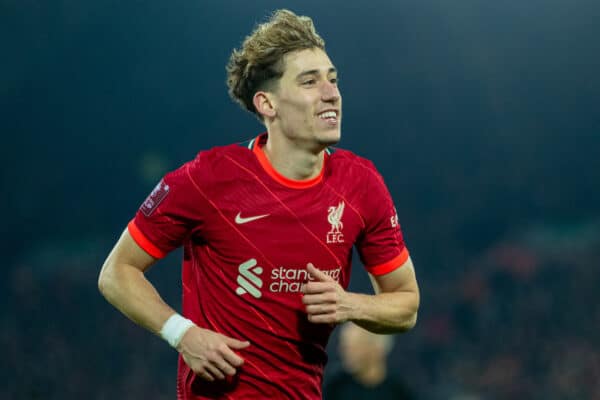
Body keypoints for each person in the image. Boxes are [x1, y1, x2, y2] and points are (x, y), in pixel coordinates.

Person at [98, 9, 420, 400]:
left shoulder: (361, 185)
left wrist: (350, 305)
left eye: (332, 80)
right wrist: (182, 334)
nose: (331, 92)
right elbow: (116, 272)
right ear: (267, 103)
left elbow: (406, 304)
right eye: (309, 81)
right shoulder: (209, 178)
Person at [324, 323, 415, 399]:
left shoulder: (399, 392)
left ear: (377, 349)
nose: (344, 352)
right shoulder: (334, 387)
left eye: (354, 347)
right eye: (345, 347)